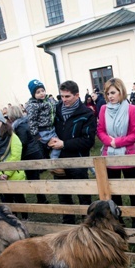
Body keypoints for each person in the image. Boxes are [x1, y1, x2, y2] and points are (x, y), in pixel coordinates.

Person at [48, 80, 96, 224]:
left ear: (77, 95)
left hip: (78, 161)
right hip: (60, 161)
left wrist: (65, 144)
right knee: (63, 195)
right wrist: (48, 142)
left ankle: (87, 224)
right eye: (61, 96)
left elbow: (88, 141)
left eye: (67, 96)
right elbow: (49, 130)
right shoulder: (56, 111)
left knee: (83, 194)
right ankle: (68, 224)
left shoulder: (86, 113)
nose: (64, 100)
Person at [96, 78, 135, 228]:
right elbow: (100, 130)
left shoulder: (131, 109)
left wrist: (118, 142)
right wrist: (110, 142)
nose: (110, 96)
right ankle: (118, 219)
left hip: (128, 155)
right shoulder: (103, 109)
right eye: (108, 93)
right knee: (114, 190)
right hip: (109, 155)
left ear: (121, 92)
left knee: (132, 189)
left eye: (113, 92)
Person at [8, 104, 49, 204]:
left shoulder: (19, 127)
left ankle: (42, 199)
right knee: (35, 177)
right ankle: (41, 198)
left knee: (33, 178)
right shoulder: (25, 122)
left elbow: (23, 142)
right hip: (34, 151)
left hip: (29, 154)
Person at [0, 108, 26, 207]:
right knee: (8, 201)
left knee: (19, 198)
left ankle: (25, 217)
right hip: (1, 176)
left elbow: (16, 155)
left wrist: (7, 173)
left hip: (13, 173)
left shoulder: (11, 136)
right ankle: (12, 217)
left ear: (3, 122)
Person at [24, 79, 60, 174]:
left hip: (51, 128)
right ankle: (53, 161)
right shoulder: (33, 105)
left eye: (42, 91)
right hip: (43, 131)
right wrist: (36, 134)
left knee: (58, 144)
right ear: (33, 94)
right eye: (38, 92)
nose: (41, 93)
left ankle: (53, 160)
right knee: (56, 145)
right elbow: (31, 121)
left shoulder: (49, 100)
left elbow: (56, 106)